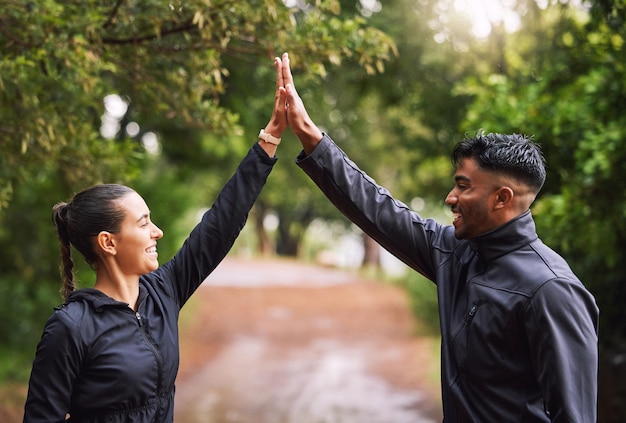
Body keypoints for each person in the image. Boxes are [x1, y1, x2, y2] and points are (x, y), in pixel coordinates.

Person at [278, 52, 599, 422]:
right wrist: (308, 134)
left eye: (463, 187)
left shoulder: (551, 290)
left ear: (501, 198)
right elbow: (378, 210)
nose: (451, 198)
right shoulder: (455, 252)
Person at [22, 57, 289, 423]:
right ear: (108, 242)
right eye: (143, 223)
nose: (157, 232)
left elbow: (219, 226)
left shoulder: (162, 292)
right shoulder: (72, 328)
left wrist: (270, 137)